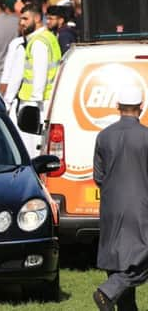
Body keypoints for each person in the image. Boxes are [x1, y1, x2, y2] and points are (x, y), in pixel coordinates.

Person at [93, 86, 148, 311]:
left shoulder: (104, 136)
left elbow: (98, 176)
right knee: (140, 261)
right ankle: (107, 291)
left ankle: (119, 299)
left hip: (110, 207)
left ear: (118, 107)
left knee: (118, 261)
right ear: (141, 108)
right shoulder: (146, 136)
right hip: (141, 207)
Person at [16, 4, 62, 157]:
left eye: (25, 18)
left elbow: (40, 75)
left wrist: (34, 105)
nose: (21, 23)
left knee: (31, 150)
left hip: (35, 102)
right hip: (46, 100)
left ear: (36, 19)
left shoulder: (38, 42)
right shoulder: (49, 37)